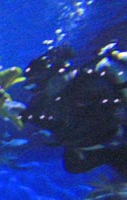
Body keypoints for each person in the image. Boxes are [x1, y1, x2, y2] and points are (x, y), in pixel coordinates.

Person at [20, 42, 127, 176]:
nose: (40, 91)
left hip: (114, 142)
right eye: (35, 87)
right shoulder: (44, 100)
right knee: (72, 165)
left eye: (38, 84)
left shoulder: (90, 83)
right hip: (94, 148)